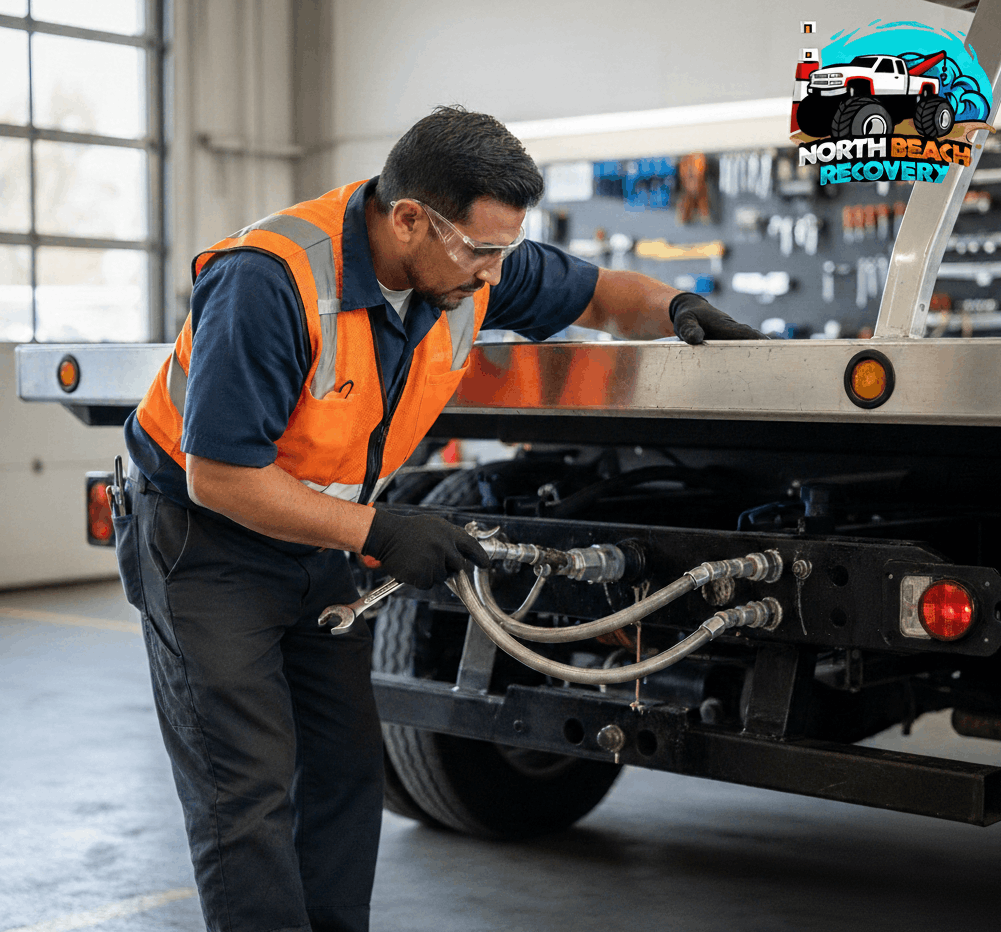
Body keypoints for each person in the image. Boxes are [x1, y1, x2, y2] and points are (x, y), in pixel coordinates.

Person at [116, 106, 760, 932]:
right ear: (410, 218)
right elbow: (220, 477)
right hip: (204, 541)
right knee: (244, 787)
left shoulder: (468, 260)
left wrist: (676, 308)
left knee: (346, 769)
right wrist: (379, 532)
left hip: (314, 539)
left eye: (504, 250)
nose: (494, 274)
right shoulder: (269, 282)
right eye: (480, 251)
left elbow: (602, 295)